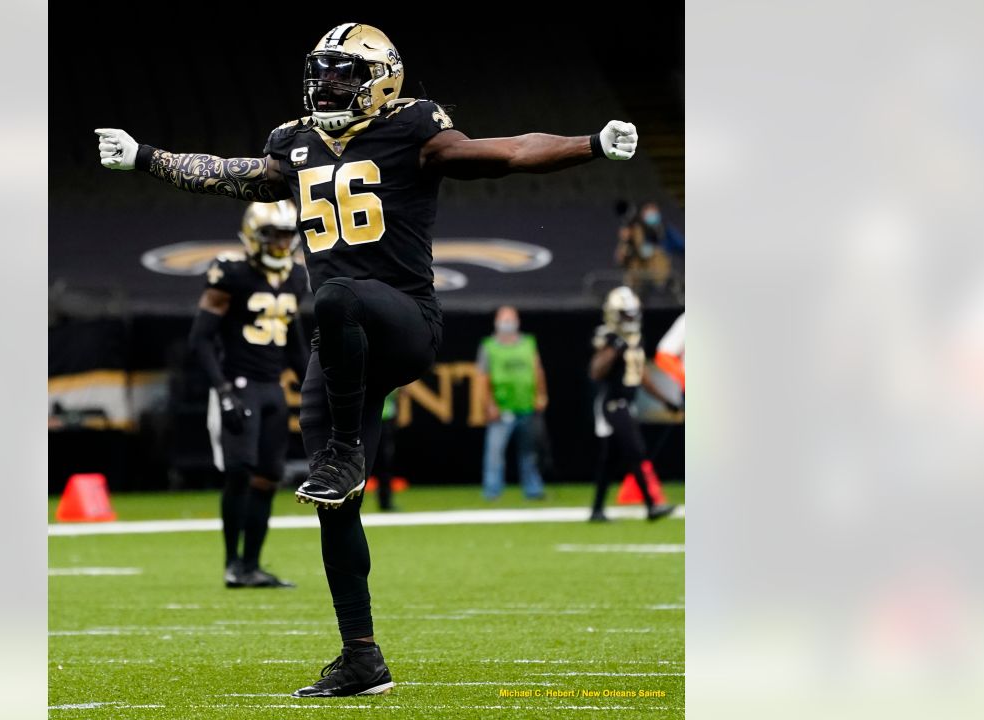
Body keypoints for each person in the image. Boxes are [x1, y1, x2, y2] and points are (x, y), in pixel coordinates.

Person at [95, 22, 640, 697]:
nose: (326, 84)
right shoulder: (293, 143)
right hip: (340, 342)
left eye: (342, 72)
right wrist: (144, 155)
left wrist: (589, 144)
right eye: (321, 71)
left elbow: (508, 152)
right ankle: (361, 655)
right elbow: (230, 176)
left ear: (382, 78)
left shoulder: (414, 127)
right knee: (335, 505)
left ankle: (347, 450)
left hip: (405, 319)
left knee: (338, 295)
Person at [187, 200, 308, 589]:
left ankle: (252, 565)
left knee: (268, 477)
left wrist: (312, 388)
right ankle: (232, 564)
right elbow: (200, 340)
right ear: (255, 236)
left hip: (273, 389)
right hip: (238, 385)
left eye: (287, 236)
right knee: (238, 474)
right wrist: (222, 390)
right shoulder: (231, 273)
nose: (280, 244)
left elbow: (295, 344)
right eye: (273, 236)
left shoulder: (294, 278)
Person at [588, 287, 679, 522]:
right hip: (612, 404)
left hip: (627, 404)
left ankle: (597, 510)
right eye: (625, 314)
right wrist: (615, 349)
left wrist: (665, 401)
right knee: (636, 451)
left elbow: (641, 376)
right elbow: (596, 372)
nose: (630, 318)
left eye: (632, 314)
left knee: (610, 458)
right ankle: (651, 506)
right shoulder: (609, 338)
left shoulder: (635, 338)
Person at [476, 306, 548, 501]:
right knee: (495, 452)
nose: (507, 323)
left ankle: (533, 489)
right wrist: (489, 404)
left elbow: (538, 370)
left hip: (527, 406)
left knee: (529, 452)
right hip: (502, 407)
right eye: (504, 319)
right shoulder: (489, 346)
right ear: (497, 321)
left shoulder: (528, 344)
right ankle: (492, 491)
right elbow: (482, 378)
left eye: (511, 318)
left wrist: (541, 395)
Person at [614, 202, 675, 293]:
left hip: (656, 278)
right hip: (637, 279)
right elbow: (621, 258)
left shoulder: (659, 233)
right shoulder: (632, 231)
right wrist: (625, 250)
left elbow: (646, 251)